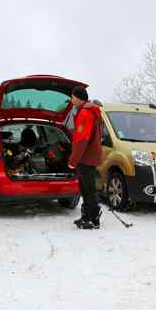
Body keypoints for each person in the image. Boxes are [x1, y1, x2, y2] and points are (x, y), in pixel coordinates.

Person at [67, 86, 102, 229]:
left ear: (79, 98)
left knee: (87, 189)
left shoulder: (85, 114)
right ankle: (89, 216)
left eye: (73, 96)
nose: (71, 99)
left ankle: (92, 219)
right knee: (89, 188)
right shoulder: (91, 111)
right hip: (90, 156)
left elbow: (82, 140)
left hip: (85, 158)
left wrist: (73, 161)